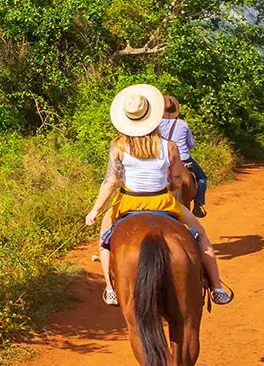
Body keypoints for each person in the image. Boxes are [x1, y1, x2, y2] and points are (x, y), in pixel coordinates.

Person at [84, 83, 233, 307]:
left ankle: (110, 287)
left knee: (105, 237)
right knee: (201, 235)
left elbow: (111, 181)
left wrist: (95, 210)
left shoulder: (118, 145)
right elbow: (175, 181)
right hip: (163, 201)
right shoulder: (169, 147)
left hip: (127, 202)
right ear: (151, 116)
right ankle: (217, 287)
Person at [158, 93, 210, 217]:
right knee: (202, 178)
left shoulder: (156, 124)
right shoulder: (182, 124)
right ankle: (198, 204)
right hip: (183, 158)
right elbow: (191, 143)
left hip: (163, 158)